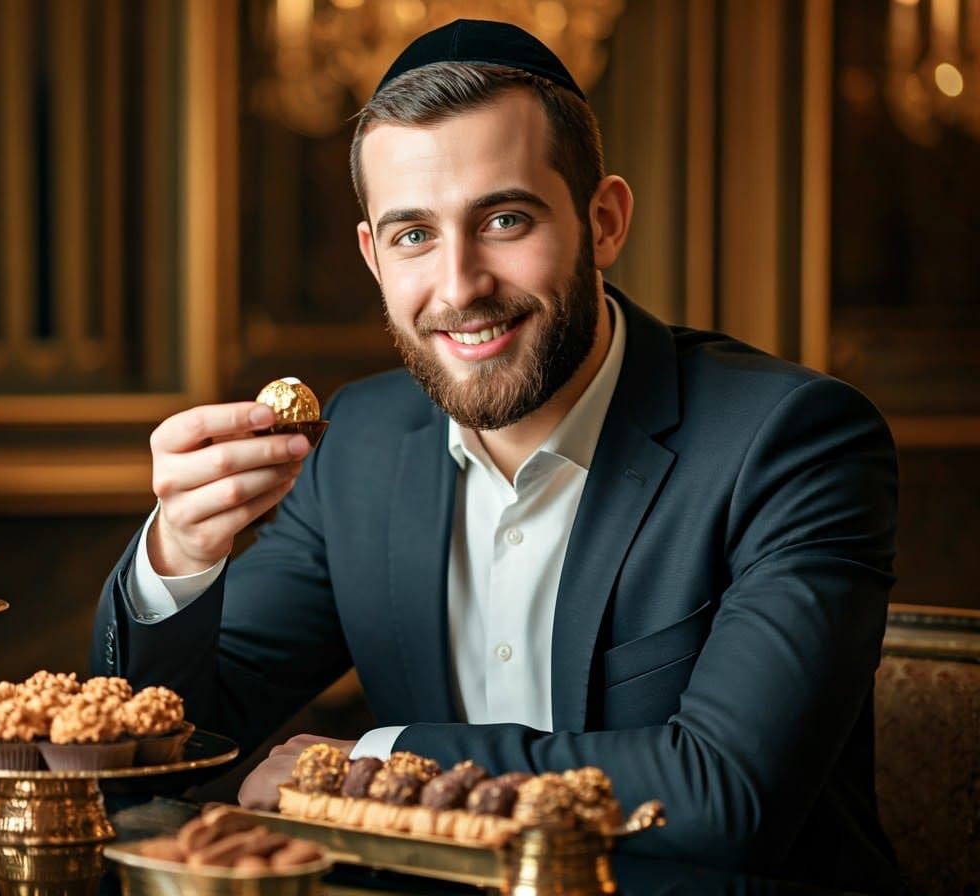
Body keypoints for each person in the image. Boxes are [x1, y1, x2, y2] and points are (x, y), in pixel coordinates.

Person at [90, 19, 901, 894]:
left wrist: (377, 760)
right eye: (413, 236)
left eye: (504, 219)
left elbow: (726, 794)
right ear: (373, 256)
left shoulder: (793, 440)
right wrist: (179, 555)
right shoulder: (361, 442)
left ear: (605, 221)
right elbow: (167, 743)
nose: (460, 284)